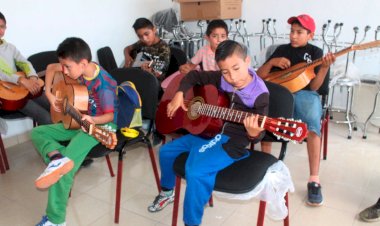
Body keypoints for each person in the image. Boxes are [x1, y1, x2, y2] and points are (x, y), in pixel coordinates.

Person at [148, 40, 269, 226]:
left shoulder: (259, 94)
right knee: (166, 152)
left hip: (232, 142)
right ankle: (167, 192)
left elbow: (259, 132)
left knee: (195, 171)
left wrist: (253, 134)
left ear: (247, 61)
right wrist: (180, 92)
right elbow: (194, 75)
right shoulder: (223, 78)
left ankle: (191, 222)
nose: (232, 77)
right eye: (225, 72)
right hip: (210, 131)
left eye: (236, 68)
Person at [31, 37, 117, 226]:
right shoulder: (76, 69)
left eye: (67, 67)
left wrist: (93, 119)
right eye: (64, 66)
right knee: (38, 133)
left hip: (100, 125)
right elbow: (51, 67)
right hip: (78, 119)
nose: (64, 71)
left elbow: (110, 116)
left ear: (83, 63)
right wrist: (49, 94)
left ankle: (55, 220)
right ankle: (56, 159)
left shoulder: (104, 85)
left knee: (65, 169)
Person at [256, 14, 336, 206]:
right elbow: (259, 77)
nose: (293, 35)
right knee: (264, 116)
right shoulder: (280, 50)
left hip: (305, 94)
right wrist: (271, 63)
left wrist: (324, 69)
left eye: (299, 32)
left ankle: (314, 180)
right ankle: (266, 170)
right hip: (279, 92)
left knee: (311, 119)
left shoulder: (316, 52)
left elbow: (315, 87)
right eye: (292, 31)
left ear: (310, 35)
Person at [0, 11, 51, 125]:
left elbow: (24, 63)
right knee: (47, 118)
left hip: (22, 87)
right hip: (8, 95)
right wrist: (21, 80)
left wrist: (32, 77)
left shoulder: (10, 47)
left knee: (54, 106)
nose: (0, 31)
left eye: (2, 27)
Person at [123, 17, 170, 83]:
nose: (144, 39)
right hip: (136, 76)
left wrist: (150, 72)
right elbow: (127, 48)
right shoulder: (141, 43)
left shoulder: (163, 48)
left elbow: (161, 75)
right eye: (140, 36)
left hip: (151, 83)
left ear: (154, 30)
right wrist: (127, 57)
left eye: (146, 34)